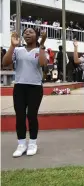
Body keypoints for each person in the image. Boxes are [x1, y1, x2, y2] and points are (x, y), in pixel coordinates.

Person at [2, 28, 48, 157]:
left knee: (32, 115)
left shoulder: (41, 50)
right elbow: (5, 63)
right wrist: (12, 45)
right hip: (20, 87)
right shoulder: (18, 50)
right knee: (20, 116)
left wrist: (42, 44)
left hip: (35, 87)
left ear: (37, 36)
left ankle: (32, 143)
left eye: (31, 32)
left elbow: (43, 63)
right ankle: (21, 144)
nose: (27, 33)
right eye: (25, 32)